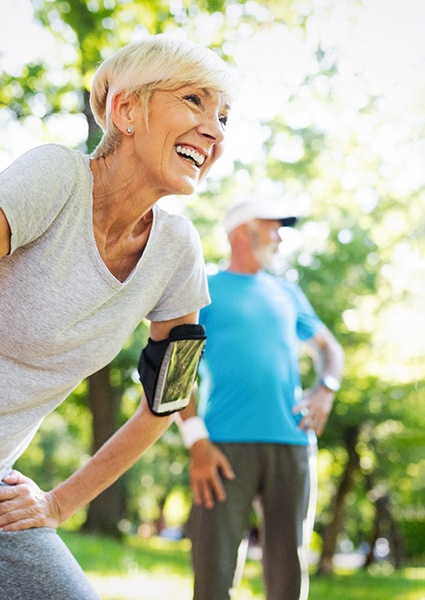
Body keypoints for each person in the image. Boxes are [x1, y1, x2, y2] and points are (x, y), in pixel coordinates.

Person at [0, 34, 236, 600]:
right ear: (127, 110)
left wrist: (57, 503)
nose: (216, 131)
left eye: (225, 116)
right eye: (194, 102)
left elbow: (169, 397)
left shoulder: (178, 252)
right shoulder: (55, 177)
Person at [177, 197, 344, 600]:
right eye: (273, 227)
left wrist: (325, 389)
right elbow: (177, 368)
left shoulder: (287, 292)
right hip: (222, 448)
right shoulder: (203, 288)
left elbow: (330, 349)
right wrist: (196, 442)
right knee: (213, 573)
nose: (281, 238)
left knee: (289, 573)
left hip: (292, 442)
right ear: (242, 231)